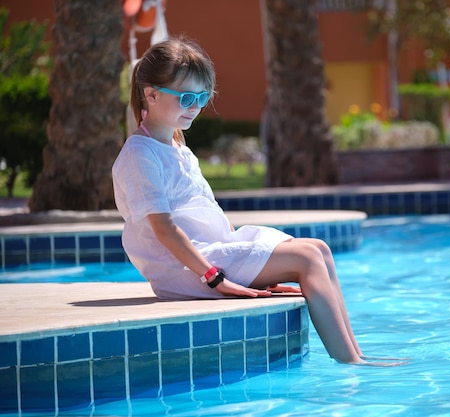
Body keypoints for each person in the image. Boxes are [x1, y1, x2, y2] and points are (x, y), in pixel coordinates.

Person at [112, 36, 405, 366]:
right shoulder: (141, 154)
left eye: (202, 96)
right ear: (150, 94)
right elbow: (164, 230)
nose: (195, 106)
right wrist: (216, 278)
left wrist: (260, 267)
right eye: (186, 97)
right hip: (184, 268)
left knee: (319, 249)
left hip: (210, 251)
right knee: (306, 259)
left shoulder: (178, 148)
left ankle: (356, 352)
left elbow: (206, 212)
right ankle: (350, 364)